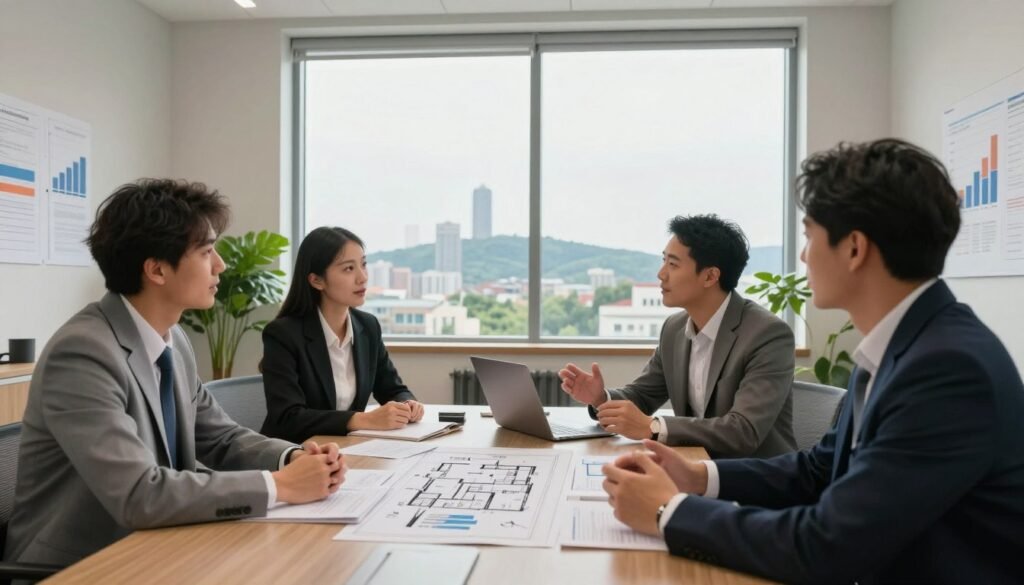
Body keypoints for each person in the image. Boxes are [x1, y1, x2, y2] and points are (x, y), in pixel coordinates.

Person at [602, 139, 1024, 584]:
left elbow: (829, 546)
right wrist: (696, 476)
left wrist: (669, 512)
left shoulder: (947, 370)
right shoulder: (902, 342)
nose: (803, 256)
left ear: (854, 249)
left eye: (809, 236)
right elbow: (819, 469)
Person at [4, 179, 345, 569]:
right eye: (206, 251)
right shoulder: (83, 353)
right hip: (84, 565)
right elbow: (138, 493)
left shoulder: (173, 340)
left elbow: (220, 437)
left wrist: (293, 458)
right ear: (156, 270)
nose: (221, 264)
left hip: (162, 543)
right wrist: (279, 486)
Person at [560, 215, 796, 458]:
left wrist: (653, 427)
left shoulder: (767, 335)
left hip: (756, 479)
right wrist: (601, 397)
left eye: (673, 264)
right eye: (664, 261)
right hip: (694, 465)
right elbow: (643, 396)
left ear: (710, 276)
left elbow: (743, 431)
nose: (661, 274)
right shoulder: (674, 329)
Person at [260, 226, 423, 443]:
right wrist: (364, 420)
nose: (362, 277)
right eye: (348, 269)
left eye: (363, 265)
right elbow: (288, 418)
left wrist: (407, 404)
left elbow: (392, 388)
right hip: (294, 454)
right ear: (316, 280)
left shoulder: (368, 327)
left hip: (345, 449)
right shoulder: (283, 335)